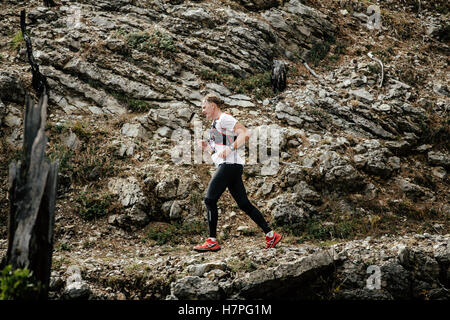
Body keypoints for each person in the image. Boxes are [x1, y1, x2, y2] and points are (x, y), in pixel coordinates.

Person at [193, 93, 282, 252]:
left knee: (209, 200)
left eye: (204, 107)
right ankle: (271, 234)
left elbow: (245, 134)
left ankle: (212, 240)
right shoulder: (215, 124)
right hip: (231, 165)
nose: (202, 111)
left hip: (229, 165)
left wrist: (231, 148)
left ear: (213, 106)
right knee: (244, 204)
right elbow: (218, 151)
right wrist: (207, 147)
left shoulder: (224, 118)